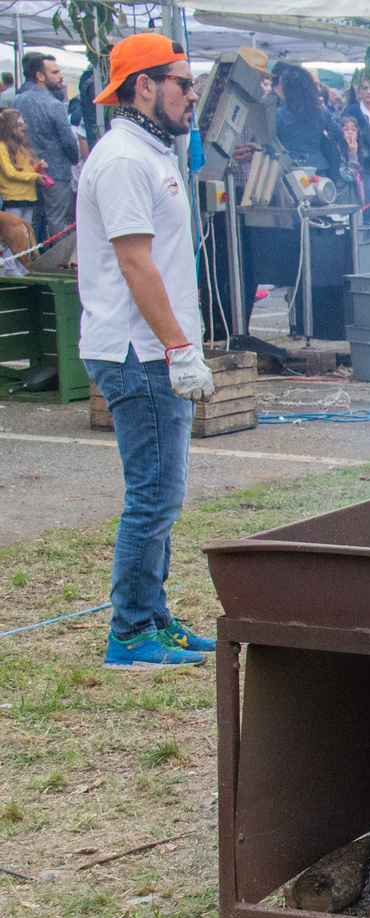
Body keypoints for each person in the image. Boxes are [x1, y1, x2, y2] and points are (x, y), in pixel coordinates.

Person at [77, 33, 217, 669]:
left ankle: (153, 615)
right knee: (154, 494)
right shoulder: (125, 160)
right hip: (138, 350)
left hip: (149, 346)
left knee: (162, 490)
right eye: (182, 83)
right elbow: (135, 264)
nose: (193, 94)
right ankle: (131, 631)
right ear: (144, 86)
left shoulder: (150, 150)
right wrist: (178, 348)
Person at [15, 51, 79, 239]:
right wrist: (74, 158)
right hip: (56, 171)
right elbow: (68, 140)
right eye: (55, 72)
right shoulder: (54, 104)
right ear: (40, 76)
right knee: (59, 220)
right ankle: (61, 264)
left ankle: (27, 262)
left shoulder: (19, 100)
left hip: (28, 170)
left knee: (31, 221)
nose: (61, 76)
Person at [274, 65, 337, 176]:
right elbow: (338, 134)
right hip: (318, 167)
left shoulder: (279, 114)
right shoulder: (322, 111)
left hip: (288, 168)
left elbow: (273, 141)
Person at [0, 109, 44, 223]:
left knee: (27, 234)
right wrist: (34, 176)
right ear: (10, 127)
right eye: (19, 123)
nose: (24, 126)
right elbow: (10, 173)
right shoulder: (2, 147)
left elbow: (27, 169)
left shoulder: (22, 147)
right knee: (15, 234)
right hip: (13, 198)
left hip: (29, 197)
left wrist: (37, 168)